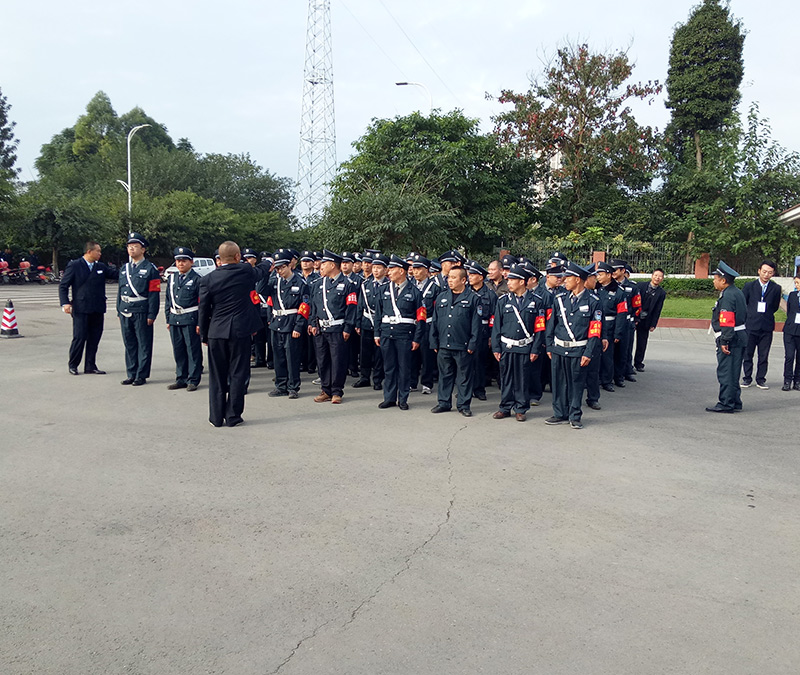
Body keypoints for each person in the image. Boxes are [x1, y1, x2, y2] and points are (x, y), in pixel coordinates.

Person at [199, 241, 269, 427]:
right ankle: (233, 416)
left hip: (216, 331)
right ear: (238, 256)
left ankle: (216, 417)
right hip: (240, 331)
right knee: (238, 373)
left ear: (219, 259)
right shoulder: (245, 271)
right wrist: (268, 261)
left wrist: (204, 334)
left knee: (217, 376)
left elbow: (203, 309)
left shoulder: (208, 279)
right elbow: (261, 271)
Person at [545, 262, 602, 429]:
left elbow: (595, 330)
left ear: (577, 279)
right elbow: (551, 325)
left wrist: (588, 352)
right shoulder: (559, 299)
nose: (564, 280)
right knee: (558, 382)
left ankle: (575, 415)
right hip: (559, 348)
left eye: (568, 278)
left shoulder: (593, 301)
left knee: (576, 383)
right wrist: (549, 346)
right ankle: (559, 413)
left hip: (578, 349)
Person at [491, 263, 546, 421]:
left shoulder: (536, 301)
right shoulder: (503, 301)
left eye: (512, 280)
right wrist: (496, 347)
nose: (508, 282)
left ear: (522, 282)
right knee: (506, 378)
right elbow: (496, 326)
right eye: (508, 280)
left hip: (525, 346)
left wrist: (535, 349)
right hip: (507, 346)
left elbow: (540, 328)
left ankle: (521, 408)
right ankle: (505, 407)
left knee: (523, 379)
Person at [58, 241, 119, 375]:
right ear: (89, 251)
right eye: (98, 251)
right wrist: (65, 303)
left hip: (97, 307)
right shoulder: (75, 265)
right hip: (81, 308)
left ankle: (90, 365)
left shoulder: (101, 266)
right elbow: (63, 286)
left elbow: (116, 275)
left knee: (94, 338)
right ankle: (73, 364)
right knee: (79, 337)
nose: (100, 253)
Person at [308, 250, 358, 404]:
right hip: (321, 328)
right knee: (322, 360)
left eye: (324, 264)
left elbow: (351, 308)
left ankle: (336, 391)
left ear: (332, 265)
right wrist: (312, 323)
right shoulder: (318, 284)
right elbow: (313, 306)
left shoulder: (348, 284)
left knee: (338, 361)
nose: (321, 266)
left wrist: (348, 328)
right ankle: (325, 390)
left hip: (338, 328)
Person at [375, 255, 425, 410]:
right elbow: (378, 314)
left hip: (405, 335)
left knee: (404, 368)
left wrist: (417, 338)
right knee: (389, 367)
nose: (388, 272)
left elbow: (421, 318)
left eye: (392, 269)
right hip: (386, 334)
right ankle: (389, 398)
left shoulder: (415, 292)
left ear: (401, 271)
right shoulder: (383, 290)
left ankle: (402, 398)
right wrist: (377, 333)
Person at [430, 267, 481, 417]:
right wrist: (434, 340)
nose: (449, 280)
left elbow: (476, 325)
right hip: (444, 343)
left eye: (453, 277)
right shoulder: (442, 297)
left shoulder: (473, 298)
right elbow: (435, 320)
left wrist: (472, 344)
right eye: (449, 277)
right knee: (445, 375)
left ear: (463, 280)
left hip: (463, 345)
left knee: (464, 377)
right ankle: (444, 402)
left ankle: (464, 405)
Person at [117, 233, 161, 386]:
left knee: (143, 344)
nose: (131, 249)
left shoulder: (150, 269)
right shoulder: (124, 268)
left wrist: (152, 314)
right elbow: (120, 290)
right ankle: (131, 373)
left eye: (135, 246)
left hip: (141, 310)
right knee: (129, 343)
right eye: (129, 247)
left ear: (143, 249)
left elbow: (154, 294)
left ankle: (141, 375)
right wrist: (119, 310)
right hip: (125, 310)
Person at [265, 249, 310, 399]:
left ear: (289, 265)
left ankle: (293, 387)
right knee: (278, 358)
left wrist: (298, 326)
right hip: (276, 324)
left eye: (282, 267)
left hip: (291, 324)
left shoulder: (300, 282)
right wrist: (266, 272)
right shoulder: (274, 282)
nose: (280, 271)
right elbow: (261, 290)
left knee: (292, 358)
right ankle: (281, 386)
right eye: (277, 268)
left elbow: (304, 307)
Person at [706, 262, 748, 413]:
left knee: (726, 372)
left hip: (732, 338)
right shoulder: (735, 292)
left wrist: (725, 341)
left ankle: (726, 403)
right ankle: (734, 401)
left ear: (723, 280)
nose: (714, 281)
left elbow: (727, 320)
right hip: (738, 336)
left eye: (715, 278)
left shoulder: (728, 296)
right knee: (733, 371)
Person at [164, 247, 203, 391]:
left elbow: (201, 303)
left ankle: (193, 379)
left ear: (191, 262)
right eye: (178, 261)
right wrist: (168, 318)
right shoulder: (172, 278)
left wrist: (199, 323)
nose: (180, 263)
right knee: (178, 350)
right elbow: (168, 300)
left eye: (184, 261)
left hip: (190, 318)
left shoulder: (197, 279)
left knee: (192, 350)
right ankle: (181, 378)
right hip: (175, 318)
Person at [741, 260, 782, 389]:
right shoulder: (749, 286)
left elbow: (774, 306)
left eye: (769, 272)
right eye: (764, 272)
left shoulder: (776, 288)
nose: (766, 275)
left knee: (763, 355)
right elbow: (744, 303)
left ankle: (761, 379)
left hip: (766, 326)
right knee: (748, 354)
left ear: (773, 273)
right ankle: (747, 378)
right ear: (759, 271)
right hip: (751, 325)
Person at [354, 253, 389, 390]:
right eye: (374, 267)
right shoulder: (365, 284)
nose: (375, 270)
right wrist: (358, 323)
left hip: (381, 324)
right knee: (365, 352)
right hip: (366, 322)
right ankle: (364, 377)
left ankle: (378, 379)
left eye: (379, 268)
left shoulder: (389, 285)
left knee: (379, 353)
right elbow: (360, 305)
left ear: (385, 270)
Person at [594, 261, 627, 393]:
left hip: (609, 327)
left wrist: (618, 333)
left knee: (607, 356)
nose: (598, 277)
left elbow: (621, 314)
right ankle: (594, 379)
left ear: (609, 275)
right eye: (597, 274)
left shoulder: (618, 292)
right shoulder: (595, 289)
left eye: (601, 274)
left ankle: (607, 381)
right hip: (596, 326)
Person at [467, 260, 496, 401]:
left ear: (480, 277)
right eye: (469, 274)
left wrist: (491, 335)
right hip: (466, 330)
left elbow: (493, 316)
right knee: (466, 362)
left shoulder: (490, 294)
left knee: (480, 361)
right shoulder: (465, 291)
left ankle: (479, 389)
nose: (470, 277)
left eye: (473, 275)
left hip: (483, 330)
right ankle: (466, 390)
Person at [410, 254, 438, 395]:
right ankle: (412, 382)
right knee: (412, 354)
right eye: (414, 269)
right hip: (413, 325)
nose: (415, 272)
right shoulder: (409, 286)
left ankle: (427, 383)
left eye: (419, 269)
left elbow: (437, 309)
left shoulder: (434, 288)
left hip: (427, 324)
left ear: (426, 270)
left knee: (427, 355)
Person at [634, 269, 666, 372]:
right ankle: (626, 364)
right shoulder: (640, 286)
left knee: (642, 343)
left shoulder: (661, 293)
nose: (657, 278)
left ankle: (638, 363)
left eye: (660, 276)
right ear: (652, 276)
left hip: (646, 320)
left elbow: (658, 309)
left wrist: (653, 324)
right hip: (634, 317)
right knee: (628, 342)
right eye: (655, 275)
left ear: (662, 279)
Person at [782, 275, 800, 391]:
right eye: (795, 283)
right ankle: (787, 380)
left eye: (798, 283)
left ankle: (797, 380)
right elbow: (789, 311)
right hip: (790, 330)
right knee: (789, 356)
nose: (796, 285)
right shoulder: (793, 295)